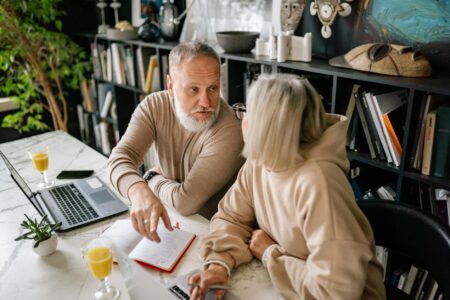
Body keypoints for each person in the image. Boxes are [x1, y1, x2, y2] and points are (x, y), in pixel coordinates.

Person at [189, 73, 386, 300]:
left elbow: (335, 292)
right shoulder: (261, 161)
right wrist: (218, 265)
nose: (242, 119)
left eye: (248, 112)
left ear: (269, 128)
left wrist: (271, 254)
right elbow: (231, 217)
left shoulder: (319, 182)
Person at [107, 42, 244, 242]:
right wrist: (138, 191)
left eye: (213, 88)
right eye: (194, 90)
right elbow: (120, 157)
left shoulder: (229, 129)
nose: (206, 102)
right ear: (170, 86)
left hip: (211, 235)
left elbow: (185, 203)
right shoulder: (154, 105)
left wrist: (151, 178)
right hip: (172, 222)